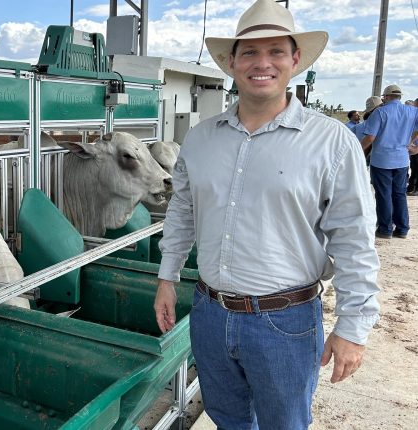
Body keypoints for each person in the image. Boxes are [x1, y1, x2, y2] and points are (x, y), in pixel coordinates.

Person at [153, 1, 380, 428]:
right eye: (250, 53)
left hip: (285, 323)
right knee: (228, 420)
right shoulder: (201, 140)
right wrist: (168, 277)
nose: (263, 63)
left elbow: (354, 238)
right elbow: (183, 210)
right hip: (209, 313)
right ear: (232, 63)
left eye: (276, 51)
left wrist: (353, 325)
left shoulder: (330, 143)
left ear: (295, 60)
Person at [360, 84, 418, 238]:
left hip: (381, 160)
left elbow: (370, 138)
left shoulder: (380, 112)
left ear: (385, 97)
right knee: (399, 194)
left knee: (384, 193)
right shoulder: (413, 111)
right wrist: (413, 143)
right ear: (400, 97)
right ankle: (402, 228)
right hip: (402, 159)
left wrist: (357, 151)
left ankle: (385, 229)